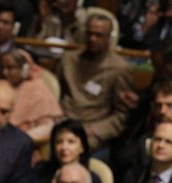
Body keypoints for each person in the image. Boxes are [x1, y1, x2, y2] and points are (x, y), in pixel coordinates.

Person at [56, 14, 134, 152]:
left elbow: (122, 115)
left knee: (72, 149)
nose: (92, 39)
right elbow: (54, 96)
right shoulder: (68, 60)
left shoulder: (119, 68)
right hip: (64, 121)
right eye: (89, 34)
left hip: (92, 127)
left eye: (98, 35)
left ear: (109, 37)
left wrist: (95, 129)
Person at [26, 119, 103, 183]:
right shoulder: (40, 170)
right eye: (59, 142)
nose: (64, 147)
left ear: (82, 147)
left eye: (71, 142)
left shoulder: (92, 180)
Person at [0, 48, 62, 142]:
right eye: (2, 68)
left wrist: (19, 140)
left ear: (24, 69)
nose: (5, 72)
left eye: (10, 68)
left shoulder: (38, 89)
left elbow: (47, 127)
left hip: (22, 143)